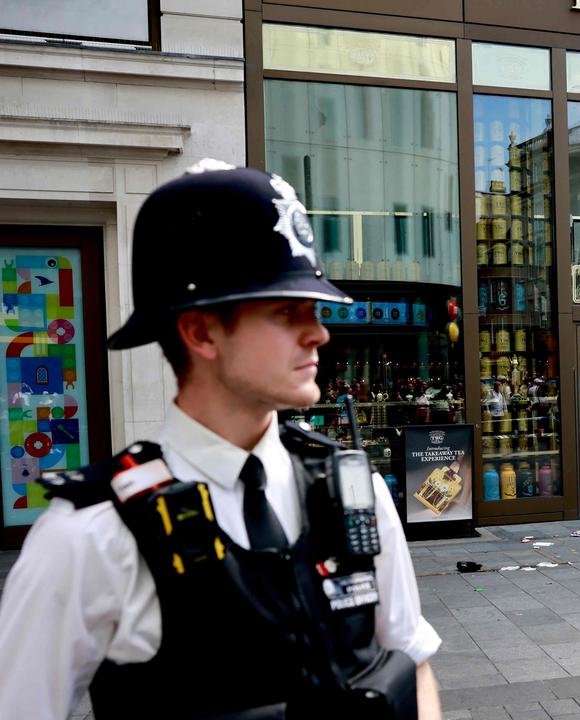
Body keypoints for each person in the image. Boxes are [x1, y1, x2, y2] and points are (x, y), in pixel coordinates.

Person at [0, 162, 442, 719]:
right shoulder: (90, 537)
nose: (320, 333)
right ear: (202, 332)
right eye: (287, 311)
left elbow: (410, 657)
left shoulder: (355, 492)